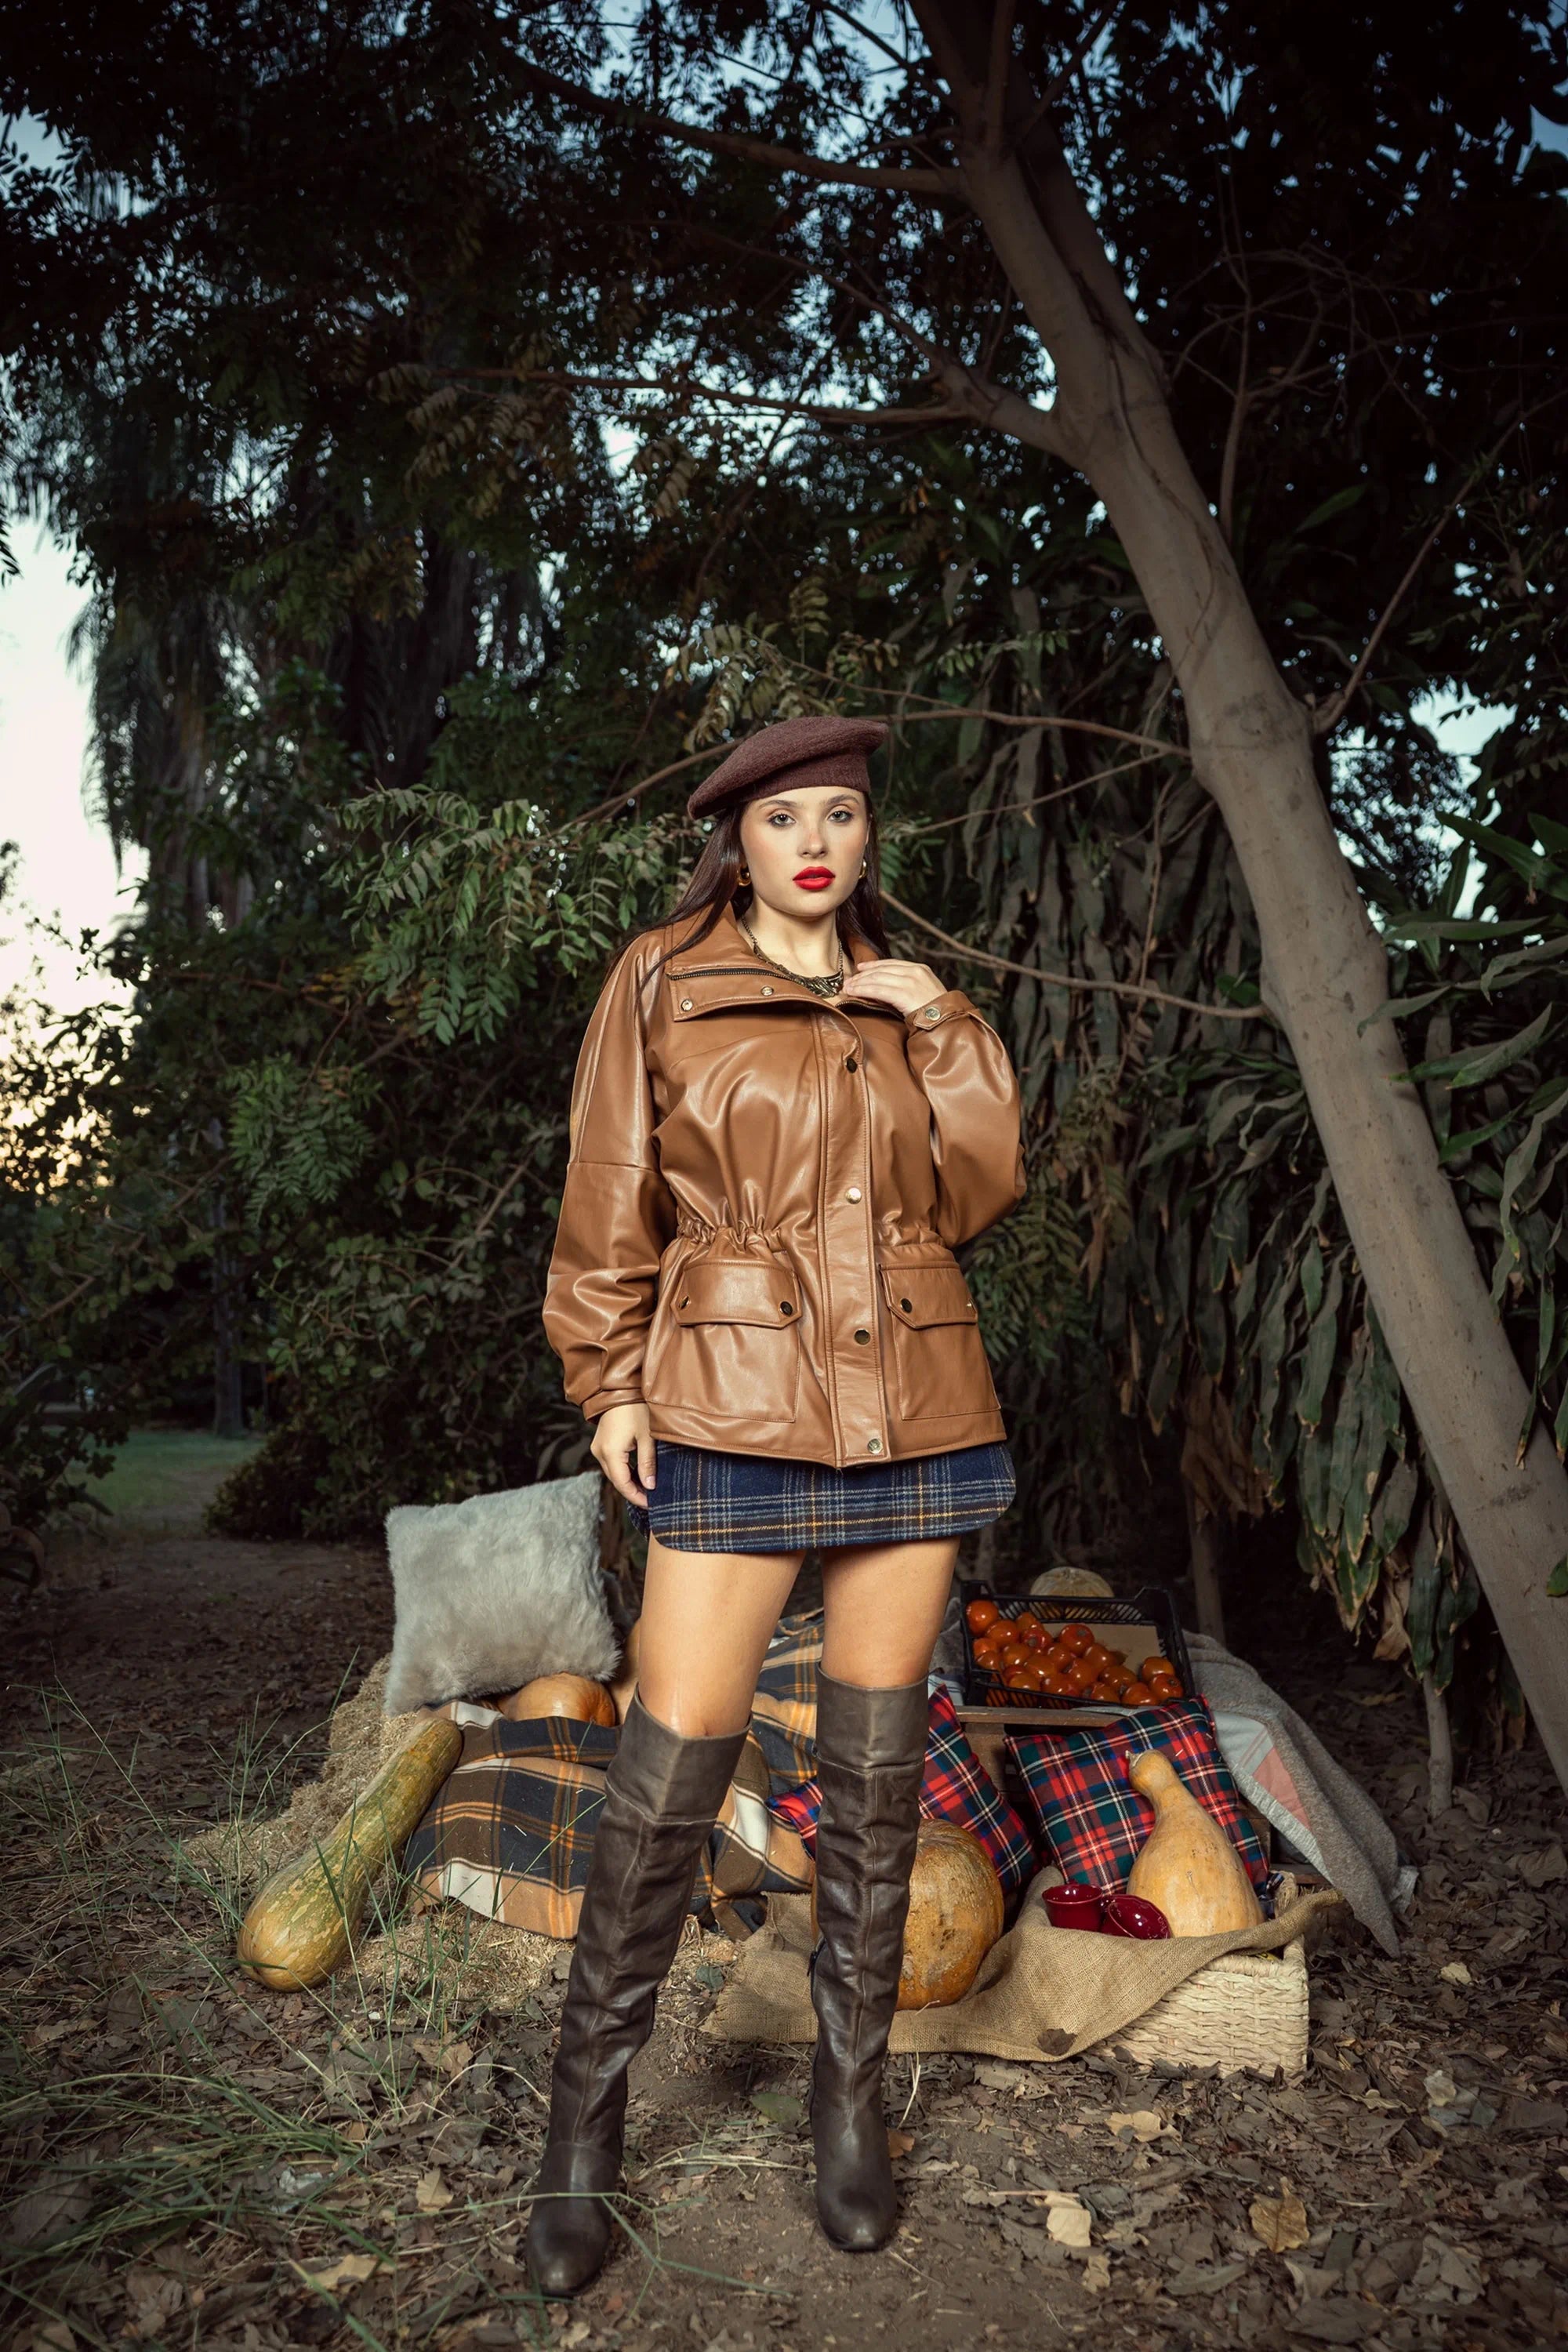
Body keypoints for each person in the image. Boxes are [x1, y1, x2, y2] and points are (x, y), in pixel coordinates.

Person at [525, 713, 1026, 2296]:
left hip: (919, 1403)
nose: (815, 841)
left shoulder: (908, 997)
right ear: (734, 838)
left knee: (876, 1783)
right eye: (783, 818)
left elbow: (973, 1196)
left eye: (842, 816)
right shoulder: (663, 978)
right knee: (670, 1771)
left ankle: (847, 2109)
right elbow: (607, 1199)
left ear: (870, 837)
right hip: (732, 1404)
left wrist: (938, 1025)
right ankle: (582, 2141)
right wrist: (609, 1385)